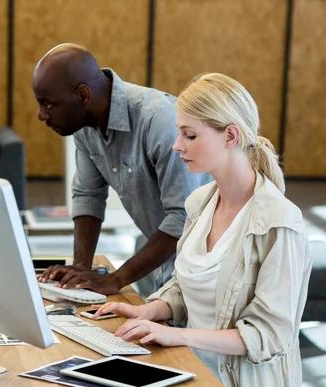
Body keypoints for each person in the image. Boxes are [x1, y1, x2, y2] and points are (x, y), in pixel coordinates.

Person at [92, 73, 313, 387]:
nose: (176, 145)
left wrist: (181, 337)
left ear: (230, 136)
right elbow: (189, 285)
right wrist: (151, 310)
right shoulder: (201, 203)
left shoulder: (280, 224)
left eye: (190, 135)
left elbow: (269, 336)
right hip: (192, 371)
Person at [32, 43, 212, 297]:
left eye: (47, 104)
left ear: (83, 95)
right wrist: (80, 268)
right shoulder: (85, 125)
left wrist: (117, 279)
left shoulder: (159, 121)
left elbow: (184, 217)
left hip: (206, 265)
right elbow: (88, 195)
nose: (41, 115)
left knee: (181, 336)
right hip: (162, 256)